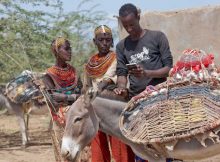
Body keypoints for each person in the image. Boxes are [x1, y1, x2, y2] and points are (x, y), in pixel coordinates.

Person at [114, 3, 173, 162]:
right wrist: (121, 88)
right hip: (137, 102)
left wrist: (147, 73)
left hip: (160, 98)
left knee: (162, 142)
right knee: (141, 145)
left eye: (132, 24)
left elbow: (168, 68)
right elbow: (121, 73)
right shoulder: (121, 46)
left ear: (139, 17)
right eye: (125, 26)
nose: (129, 29)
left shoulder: (157, 37)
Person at [84, 25, 135, 162]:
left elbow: (109, 77)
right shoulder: (90, 63)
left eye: (108, 40)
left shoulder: (116, 57)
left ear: (112, 41)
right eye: (101, 40)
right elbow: (87, 85)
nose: (105, 43)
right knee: (98, 146)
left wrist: (96, 91)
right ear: (95, 42)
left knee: (120, 145)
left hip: (113, 105)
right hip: (96, 107)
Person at [43, 37, 82, 162]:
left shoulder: (74, 72)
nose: (70, 51)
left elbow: (81, 96)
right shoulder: (48, 75)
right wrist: (73, 97)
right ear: (56, 51)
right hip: (60, 123)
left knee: (82, 155)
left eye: (70, 48)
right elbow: (53, 102)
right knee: (65, 156)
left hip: (78, 121)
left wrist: (64, 96)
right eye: (66, 48)